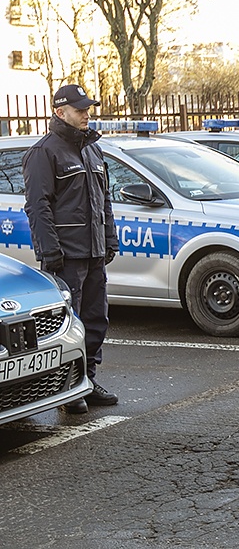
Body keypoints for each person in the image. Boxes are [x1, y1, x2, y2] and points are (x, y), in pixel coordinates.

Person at [23, 84, 119, 414]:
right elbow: (38, 206)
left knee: (95, 320)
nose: (87, 115)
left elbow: (103, 199)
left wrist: (109, 237)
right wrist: (50, 252)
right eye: (80, 110)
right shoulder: (45, 152)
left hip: (93, 253)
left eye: (87, 109)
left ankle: (87, 382)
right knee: (69, 325)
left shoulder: (92, 150)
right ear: (61, 113)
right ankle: (66, 390)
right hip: (66, 256)